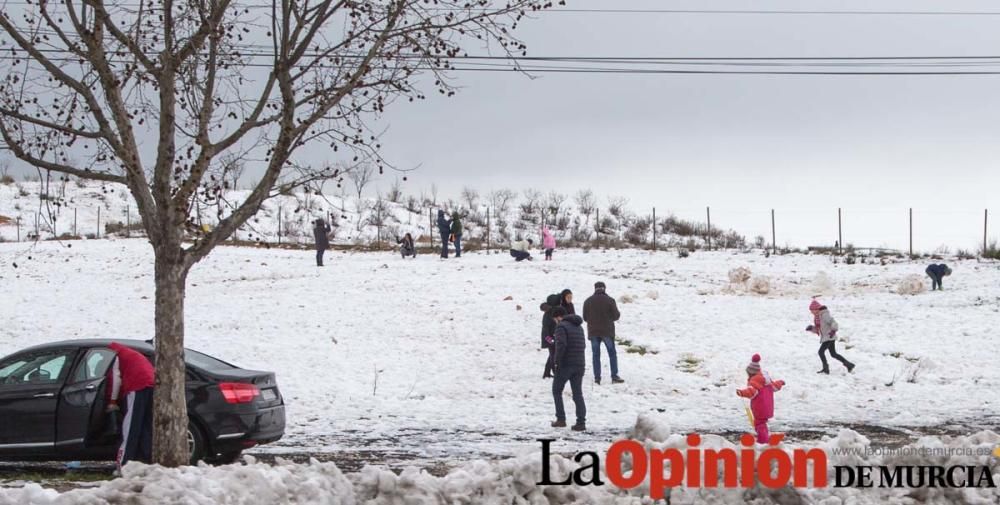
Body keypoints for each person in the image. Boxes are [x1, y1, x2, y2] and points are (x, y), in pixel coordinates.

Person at [106, 342, 155, 470]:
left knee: (130, 426)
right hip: (151, 386)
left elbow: (116, 379)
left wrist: (112, 401)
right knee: (145, 426)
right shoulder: (133, 354)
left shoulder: (118, 356)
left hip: (136, 387)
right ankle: (145, 460)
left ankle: (123, 463)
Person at [550, 307, 587, 431]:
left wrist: (556, 362)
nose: (555, 322)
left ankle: (561, 419)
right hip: (579, 364)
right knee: (578, 393)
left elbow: (561, 345)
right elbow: (583, 345)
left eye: (555, 319)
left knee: (556, 390)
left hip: (566, 364)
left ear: (558, 317)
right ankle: (581, 422)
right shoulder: (579, 327)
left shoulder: (561, 327)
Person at [736, 354, 785, 444]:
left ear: (751, 372)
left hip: (759, 407)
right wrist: (781, 382)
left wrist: (742, 393)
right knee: (762, 424)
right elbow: (775, 386)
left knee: (759, 424)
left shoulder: (754, 381)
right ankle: (764, 438)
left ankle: (763, 441)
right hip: (767, 407)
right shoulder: (766, 380)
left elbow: (752, 392)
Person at [583, 281, 623, 385]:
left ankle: (597, 378)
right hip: (607, 331)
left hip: (593, 332)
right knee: (612, 354)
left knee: (596, 355)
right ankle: (614, 376)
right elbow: (616, 316)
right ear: (604, 288)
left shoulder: (588, 301)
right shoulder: (610, 300)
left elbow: (585, 318)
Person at [807, 300, 855, 374]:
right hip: (827, 337)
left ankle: (826, 369)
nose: (811, 312)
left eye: (812, 310)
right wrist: (812, 328)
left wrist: (833, 330)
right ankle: (849, 365)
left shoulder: (824, 315)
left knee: (821, 352)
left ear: (816, 309)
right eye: (811, 311)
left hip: (829, 336)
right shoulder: (817, 317)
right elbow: (819, 328)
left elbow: (833, 322)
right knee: (833, 354)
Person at [540, 293, 561, 379]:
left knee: (552, 354)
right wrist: (551, 341)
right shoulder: (549, 314)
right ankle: (555, 372)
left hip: (552, 337)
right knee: (553, 355)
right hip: (549, 338)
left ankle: (546, 373)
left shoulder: (552, 312)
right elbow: (546, 330)